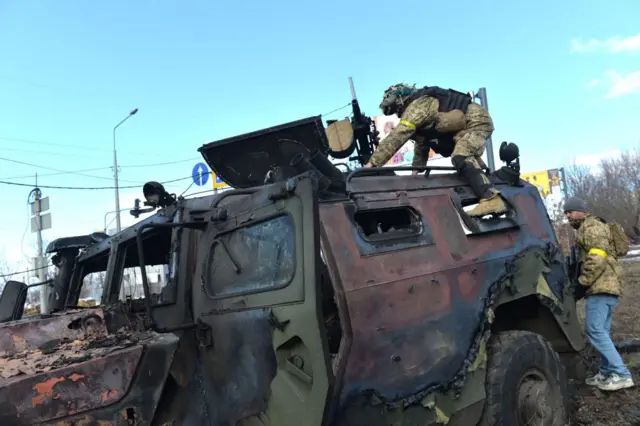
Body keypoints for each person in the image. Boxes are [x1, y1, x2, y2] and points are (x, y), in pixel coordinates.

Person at [364, 83, 506, 217]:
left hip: (475, 121)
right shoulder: (419, 109)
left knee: (461, 155)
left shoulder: (418, 105)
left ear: (400, 100)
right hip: (462, 128)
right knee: (462, 154)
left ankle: (491, 198)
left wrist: (373, 163)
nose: (396, 114)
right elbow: (422, 144)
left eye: (395, 109)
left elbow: (398, 135)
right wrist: (415, 172)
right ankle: (486, 179)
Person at [564, 197, 634, 391]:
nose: (568, 215)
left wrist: (582, 283)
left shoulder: (592, 227)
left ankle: (621, 374)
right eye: (565, 212)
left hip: (601, 286)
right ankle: (607, 371)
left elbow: (597, 258)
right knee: (601, 332)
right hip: (604, 286)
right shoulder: (587, 228)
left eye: (570, 211)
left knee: (594, 330)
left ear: (581, 211)